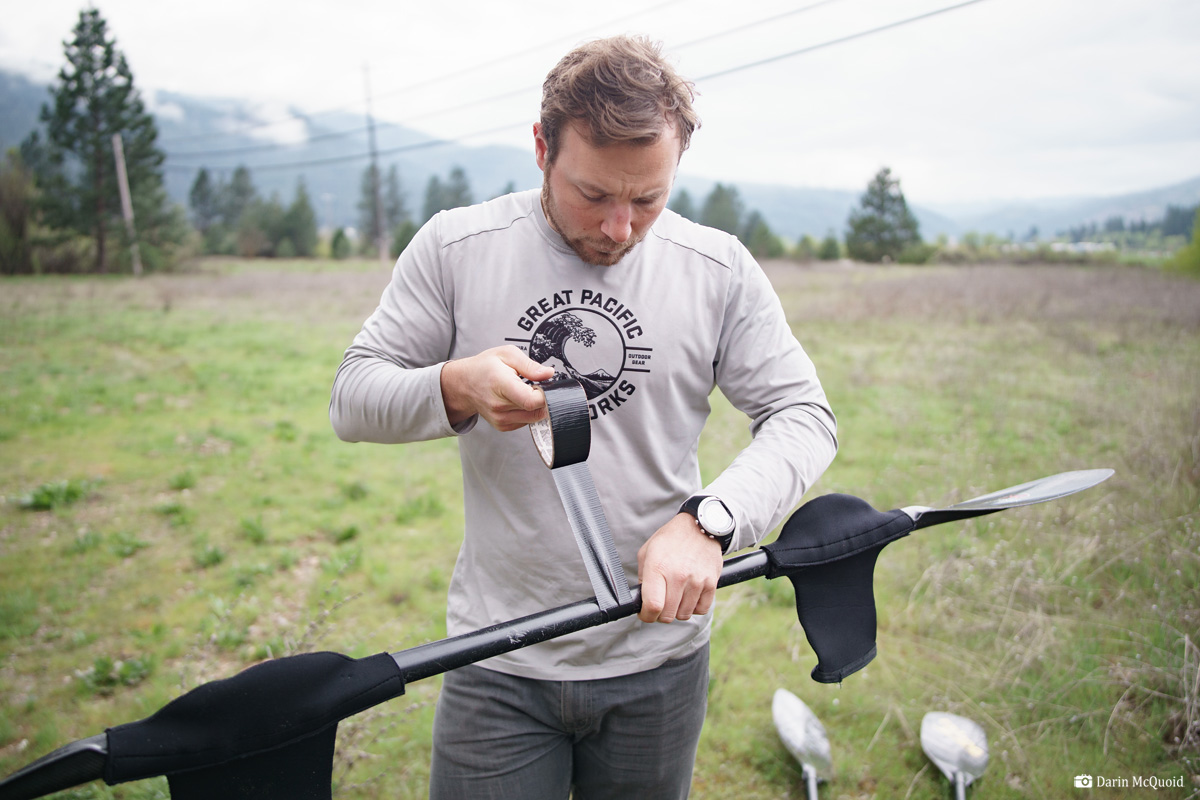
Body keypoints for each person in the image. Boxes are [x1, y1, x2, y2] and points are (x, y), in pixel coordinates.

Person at [330, 34, 837, 800]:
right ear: (541, 147)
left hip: (657, 661)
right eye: (593, 194)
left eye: (648, 199)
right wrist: (457, 385)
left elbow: (803, 415)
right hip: (498, 659)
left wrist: (713, 521)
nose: (619, 228)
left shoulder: (718, 268)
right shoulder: (457, 248)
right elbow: (352, 398)